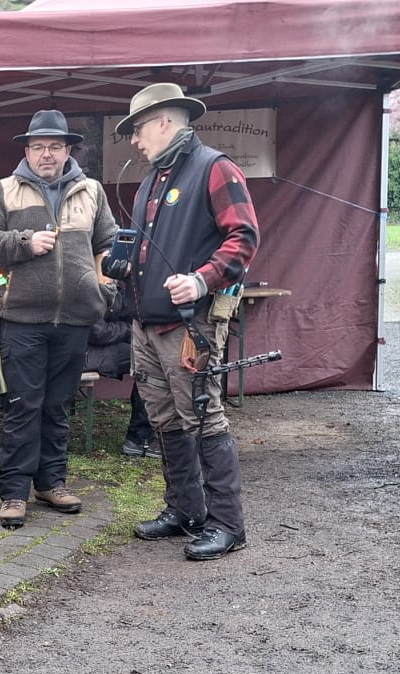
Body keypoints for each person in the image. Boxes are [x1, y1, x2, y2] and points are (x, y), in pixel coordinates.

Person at [109, 83, 260, 563]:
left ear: (163, 121)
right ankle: (186, 511)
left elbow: (244, 237)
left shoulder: (214, 168)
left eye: (137, 130)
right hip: (147, 324)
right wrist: (125, 266)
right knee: (164, 419)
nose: (135, 141)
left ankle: (228, 524)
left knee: (203, 417)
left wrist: (201, 280)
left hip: (189, 326)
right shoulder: (154, 180)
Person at [0, 109, 117, 529]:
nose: (46, 154)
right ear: (27, 151)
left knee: (58, 405)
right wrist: (24, 242)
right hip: (22, 318)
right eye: (38, 147)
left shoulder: (92, 191)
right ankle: (14, 491)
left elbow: (108, 244)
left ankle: (51, 483)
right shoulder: (4, 190)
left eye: (55, 146)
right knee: (23, 406)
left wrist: (104, 290)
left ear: (69, 150)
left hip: (75, 319)